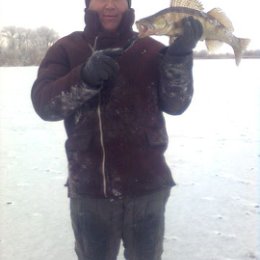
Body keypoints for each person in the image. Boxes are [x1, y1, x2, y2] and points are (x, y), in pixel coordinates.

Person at [31, 0, 202, 259]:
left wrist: (179, 57)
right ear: (88, 4)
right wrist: (84, 76)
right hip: (91, 191)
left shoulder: (152, 48)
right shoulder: (66, 48)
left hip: (148, 187)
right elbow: (46, 106)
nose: (110, 5)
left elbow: (176, 104)